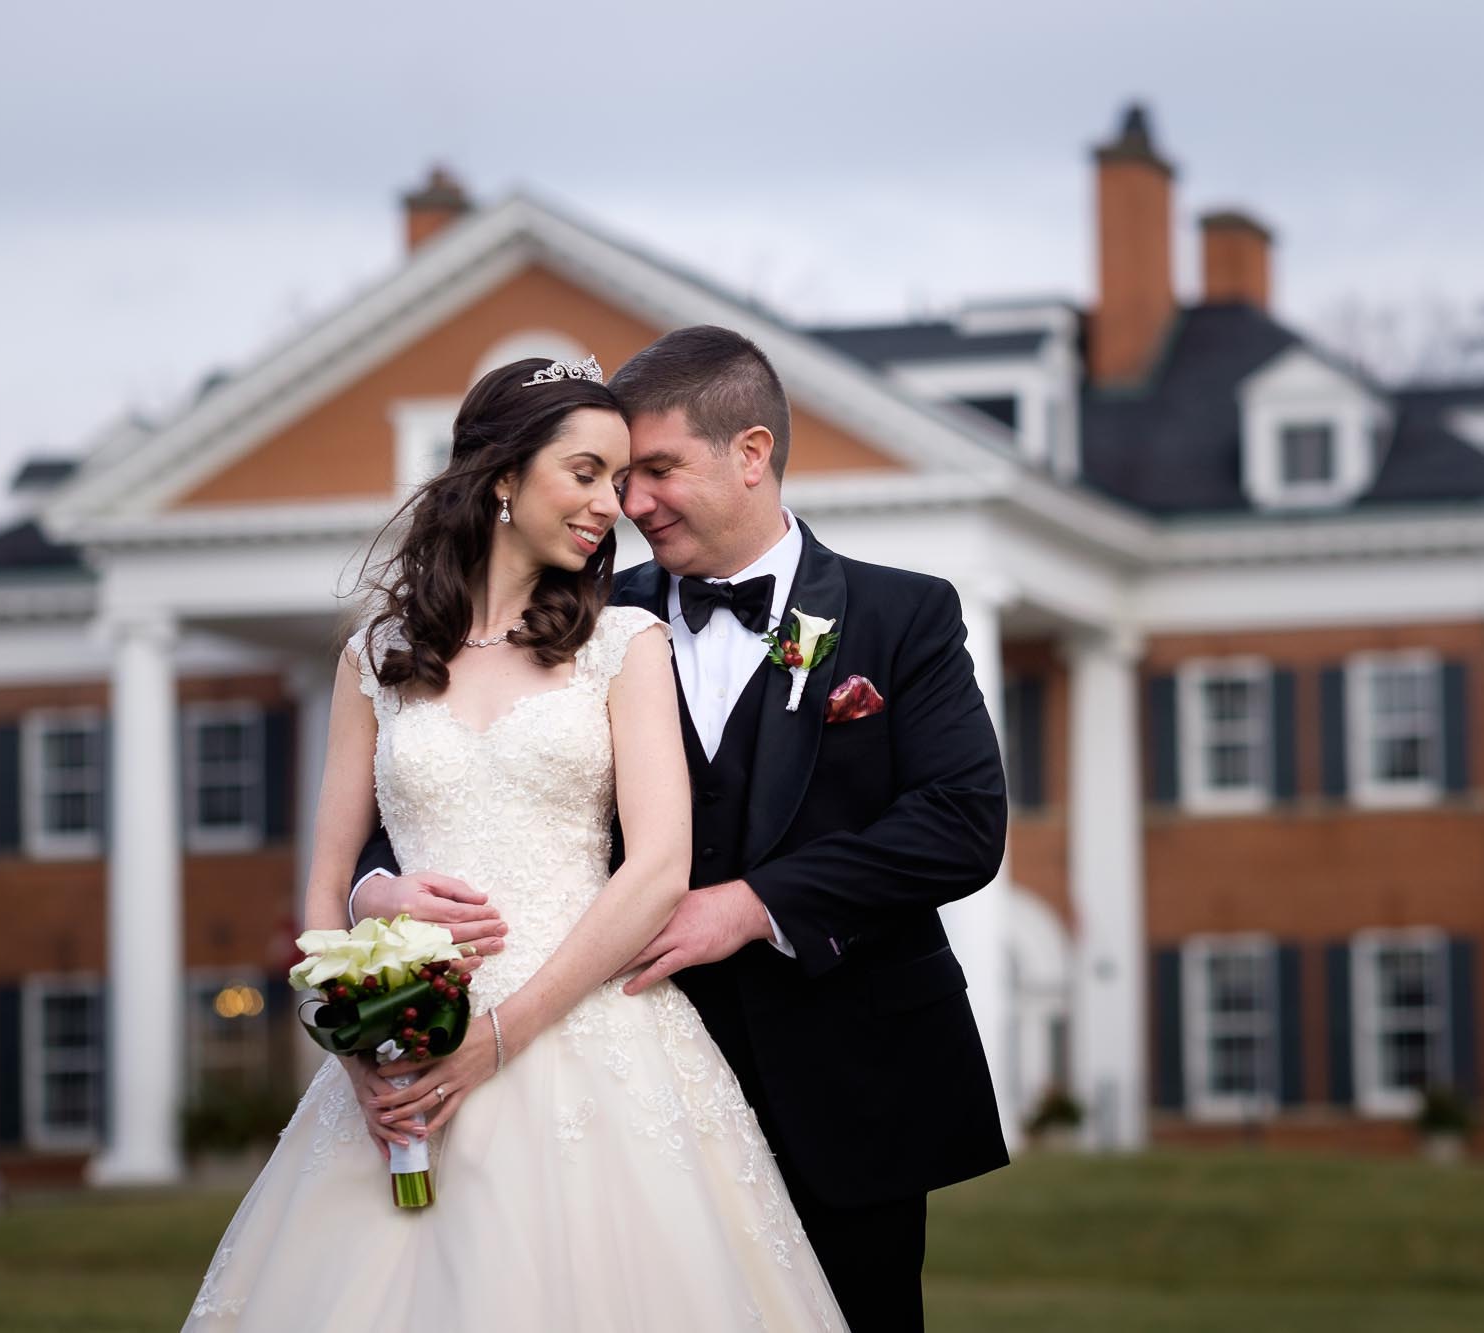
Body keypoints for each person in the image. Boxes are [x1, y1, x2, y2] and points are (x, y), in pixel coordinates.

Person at [350, 325, 1010, 1330]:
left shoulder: (900, 615)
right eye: (615, 473)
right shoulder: (581, 620)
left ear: (750, 454)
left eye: (655, 469)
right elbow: (435, 786)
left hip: (847, 1079)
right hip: (619, 1087)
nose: (627, 503)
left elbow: (960, 821)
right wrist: (374, 890)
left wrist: (753, 905)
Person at [185, 354, 846, 1330]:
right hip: (409, 1057)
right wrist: (364, 1053)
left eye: (617, 483)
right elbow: (326, 883)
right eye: (584, 473)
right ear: (502, 475)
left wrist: (503, 1033)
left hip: (589, 1033)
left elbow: (659, 865)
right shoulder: (374, 660)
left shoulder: (625, 644)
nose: (608, 505)